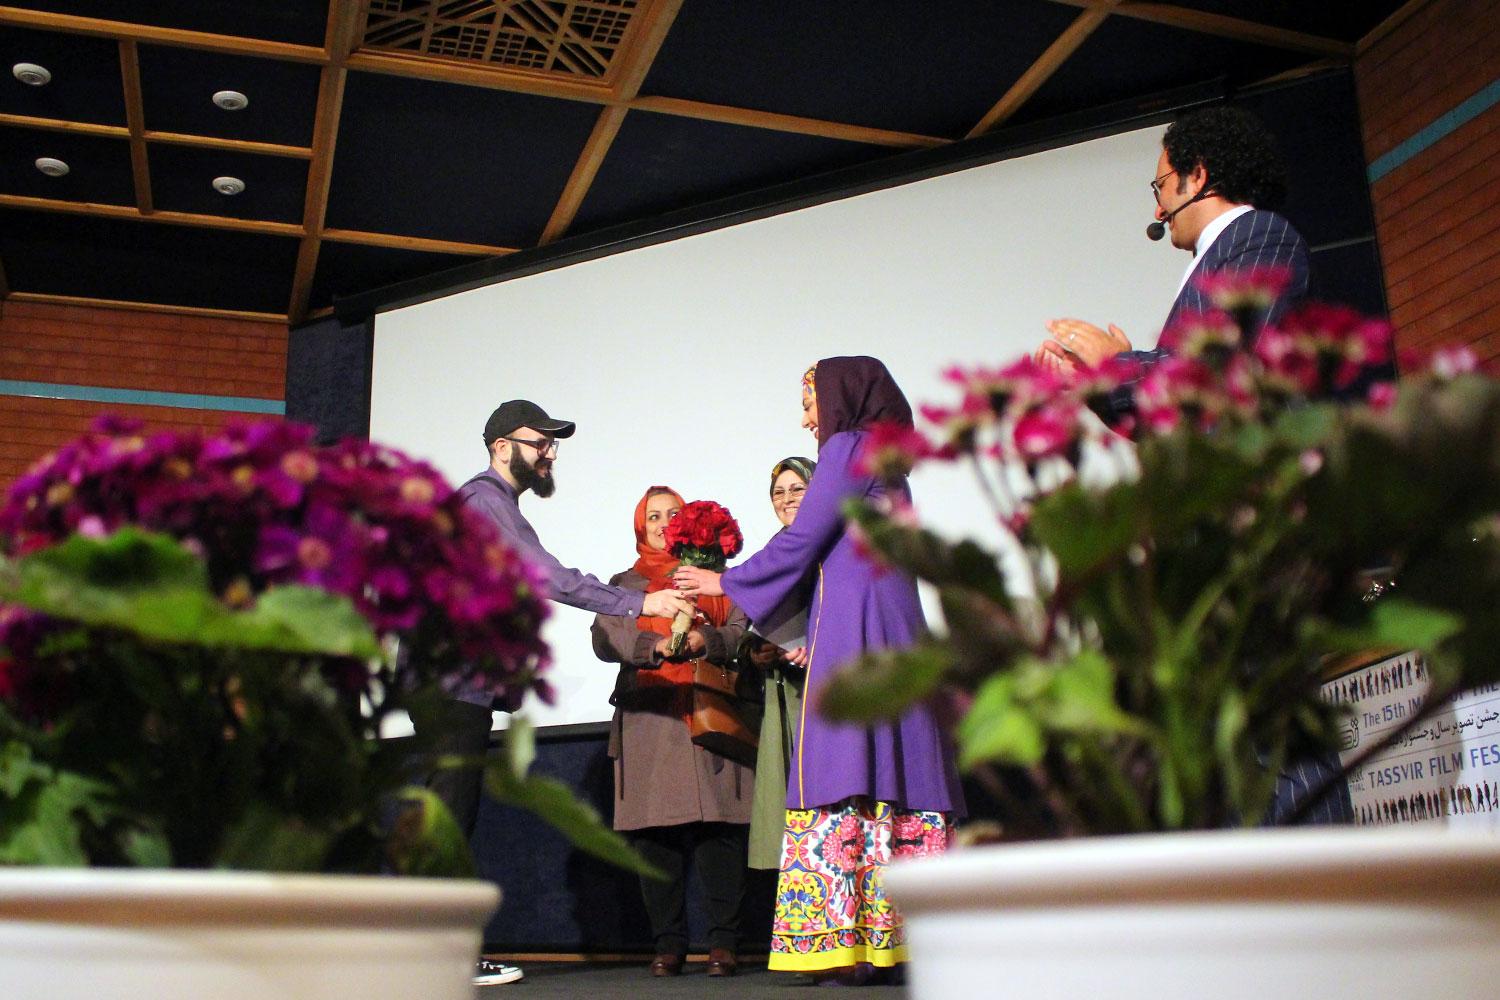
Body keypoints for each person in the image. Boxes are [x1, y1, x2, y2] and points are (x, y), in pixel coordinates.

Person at [674, 358, 964, 984]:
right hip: (890, 622)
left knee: (847, 759)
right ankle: (888, 942)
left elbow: (804, 536)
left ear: (841, 398)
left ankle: (848, 943)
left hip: (860, 624)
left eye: (810, 403)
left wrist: (726, 581)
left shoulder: (849, 444)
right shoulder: (886, 457)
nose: (807, 419)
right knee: (891, 764)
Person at [428, 400, 694, 988]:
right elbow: (547, 576)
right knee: (448, 821)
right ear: (502, 447)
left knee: (447, 820)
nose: (550, 453)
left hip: (455, 687)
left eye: (553, 444)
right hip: (451, 687)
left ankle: (430, 959)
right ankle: (441, 962)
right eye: (540, 442)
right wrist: (641, 601)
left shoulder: (490, 505)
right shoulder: (484, 502)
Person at [1036, 105, 1309, 405]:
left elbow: (1232, 364)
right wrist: (1097, 382)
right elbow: (1181, 410)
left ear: (1197, 176)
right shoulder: (1225, 248)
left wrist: (1118, 363)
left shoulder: (1260, 234)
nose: (1158, 211)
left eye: (1161, 186)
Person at [590, 486, 753, 978]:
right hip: (651, 718)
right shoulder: (625, 584)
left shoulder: (714, 578)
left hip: (709, 713)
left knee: (719, 832)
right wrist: (653, 648)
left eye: (673, 514)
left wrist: (709, 639)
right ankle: (668, 945)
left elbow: (742, 628)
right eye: (654, 516)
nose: (663, 524)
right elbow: (605, 636)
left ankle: (724, 944)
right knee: (654, 835)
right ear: (641, 526)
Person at [743, 457, 816, 872]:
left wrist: (817, 644)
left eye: (797, 488)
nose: (786, 499)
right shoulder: (773, 553)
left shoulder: (835, 548)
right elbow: (749, 626)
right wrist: (757, 652)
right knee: (789, 800)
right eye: (778, 492)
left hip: (826, 693)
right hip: (784, 693)